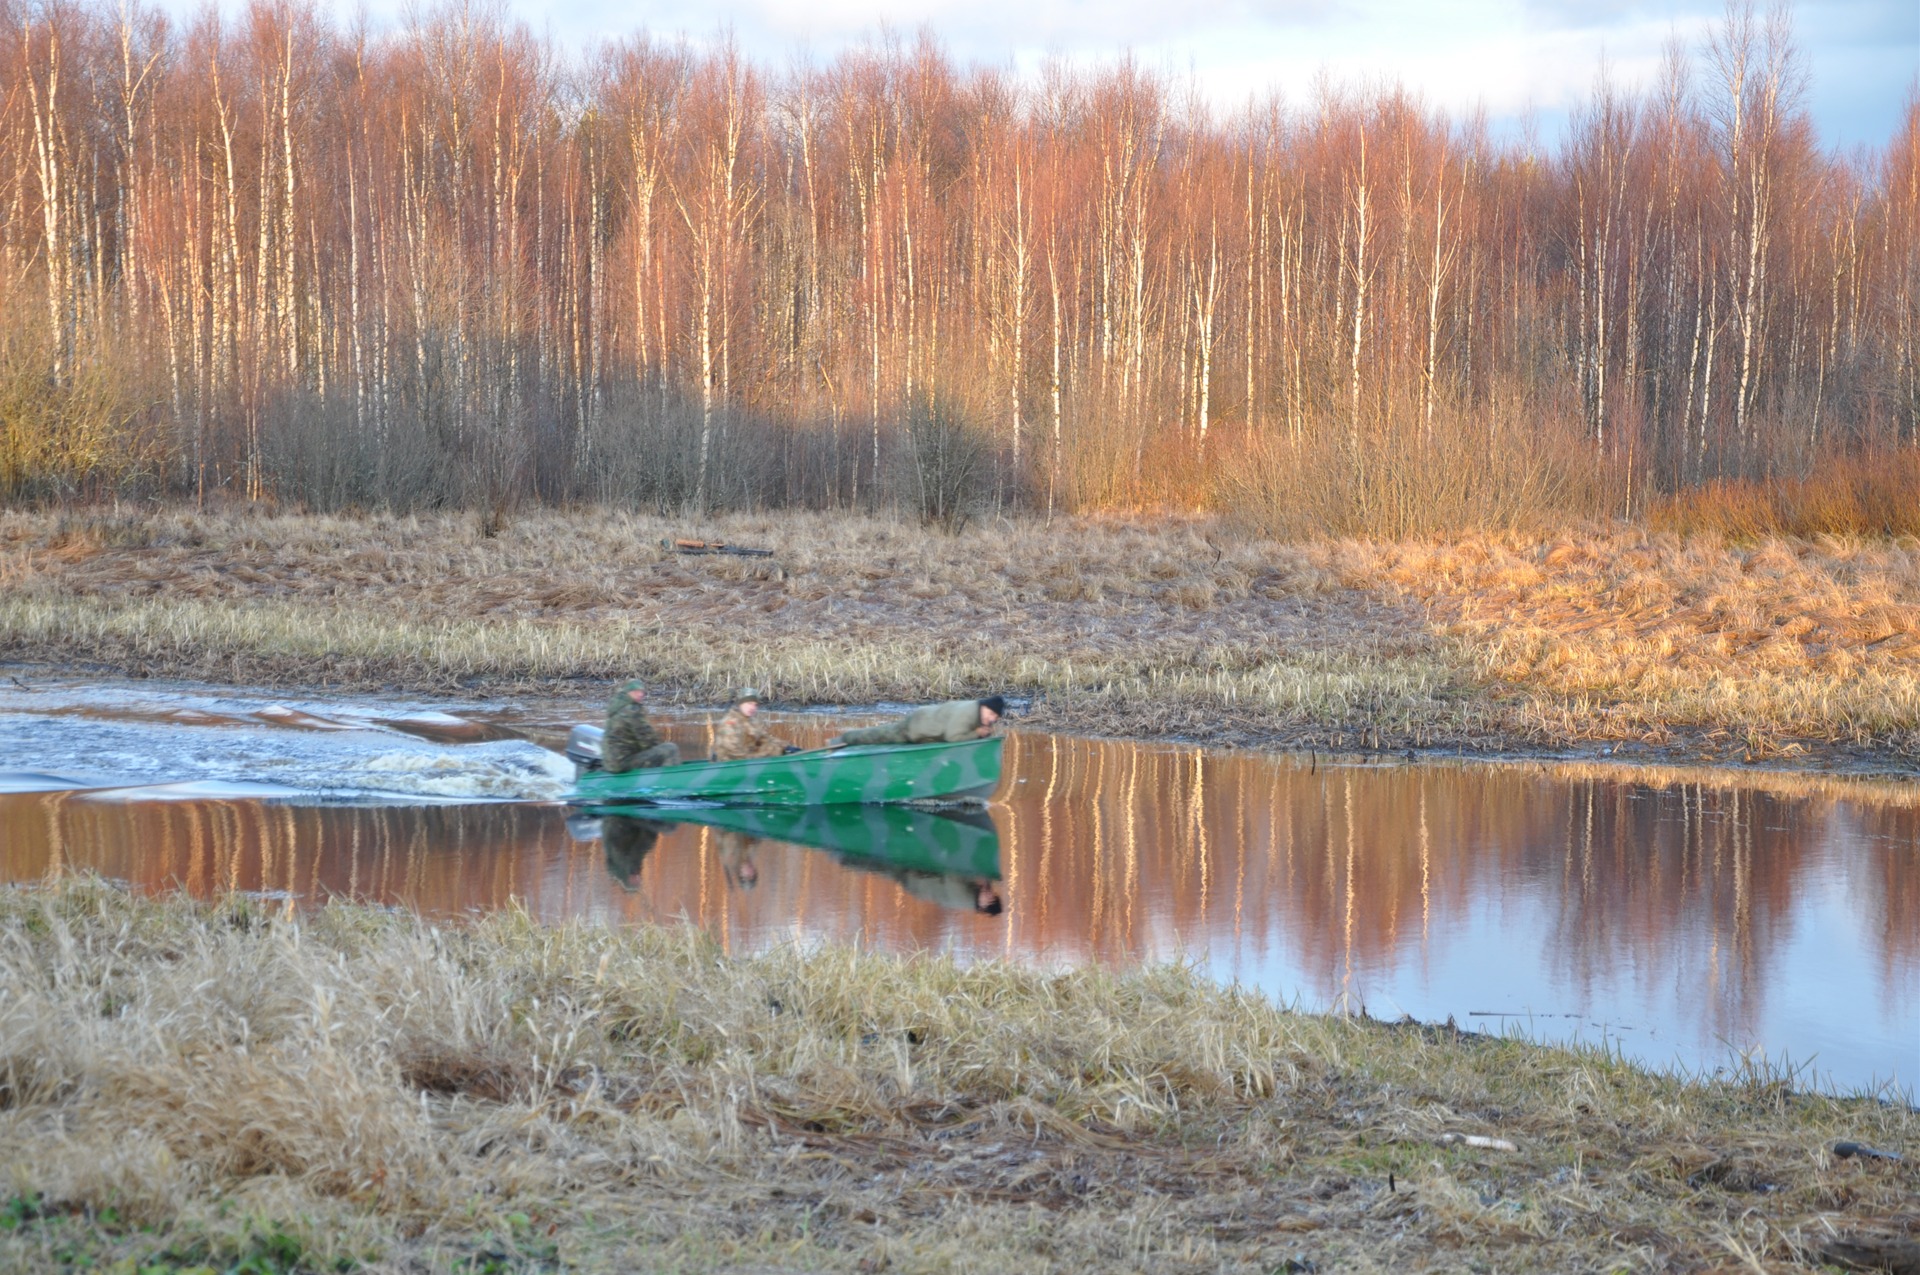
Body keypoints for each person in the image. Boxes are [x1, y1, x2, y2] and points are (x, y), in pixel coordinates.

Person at [831, 696, 1006, 747]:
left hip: (926, 723)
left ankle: (843, 739)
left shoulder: (976, 712)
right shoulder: (968, 713)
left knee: (881, 735)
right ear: (983, 706)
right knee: (878, 735)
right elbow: (953, 737)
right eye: (990, 713)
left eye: (995, 718)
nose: (991, 719)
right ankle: (842, 740)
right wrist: (976, 734)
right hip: (917, 726)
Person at [602, 679, 680, 773]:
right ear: (628, 692)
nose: (640, 694)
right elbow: (647, 740)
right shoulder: (632, 710)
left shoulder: (616, 708)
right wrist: (658, 751)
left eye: (641, 692)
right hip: (623, 764)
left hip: (611, 764)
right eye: (636, 692)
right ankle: (670, 777)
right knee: (670, 748)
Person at [712, 687, 789, 761]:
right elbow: (732, 754)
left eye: (755, 705)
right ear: (740, 704)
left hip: (748, 761)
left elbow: (765, 738)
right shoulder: (730, 723)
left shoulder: (751, 721)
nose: (752, 707)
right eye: (749, 703)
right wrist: (767, 753)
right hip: (732, 766)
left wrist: (785, 746)